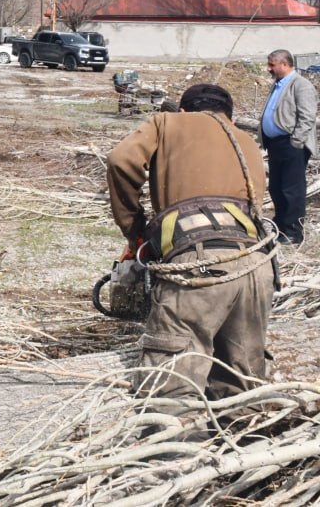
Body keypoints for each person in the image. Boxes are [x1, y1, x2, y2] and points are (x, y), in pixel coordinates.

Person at [106, 83, 276, 403]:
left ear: (183, 110)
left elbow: (119, 160)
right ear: (229, 117)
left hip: (197, 264)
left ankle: (177, 434)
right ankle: (243, 431)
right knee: (240, 392)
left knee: (171, 391)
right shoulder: (245, 141)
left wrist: (136, 230)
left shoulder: (166, 122)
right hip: (257, 268)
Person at [260, 49, 316, 245]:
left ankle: (293, 233)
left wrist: (296, 141)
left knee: (291, 189)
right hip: (276, 145)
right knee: (276, 187)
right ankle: (281, 227)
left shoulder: (301, 85)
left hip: (292, 144)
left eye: (272, 65)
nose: (269, 68)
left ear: (284, 64)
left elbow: (308, 116)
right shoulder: (278, 84)